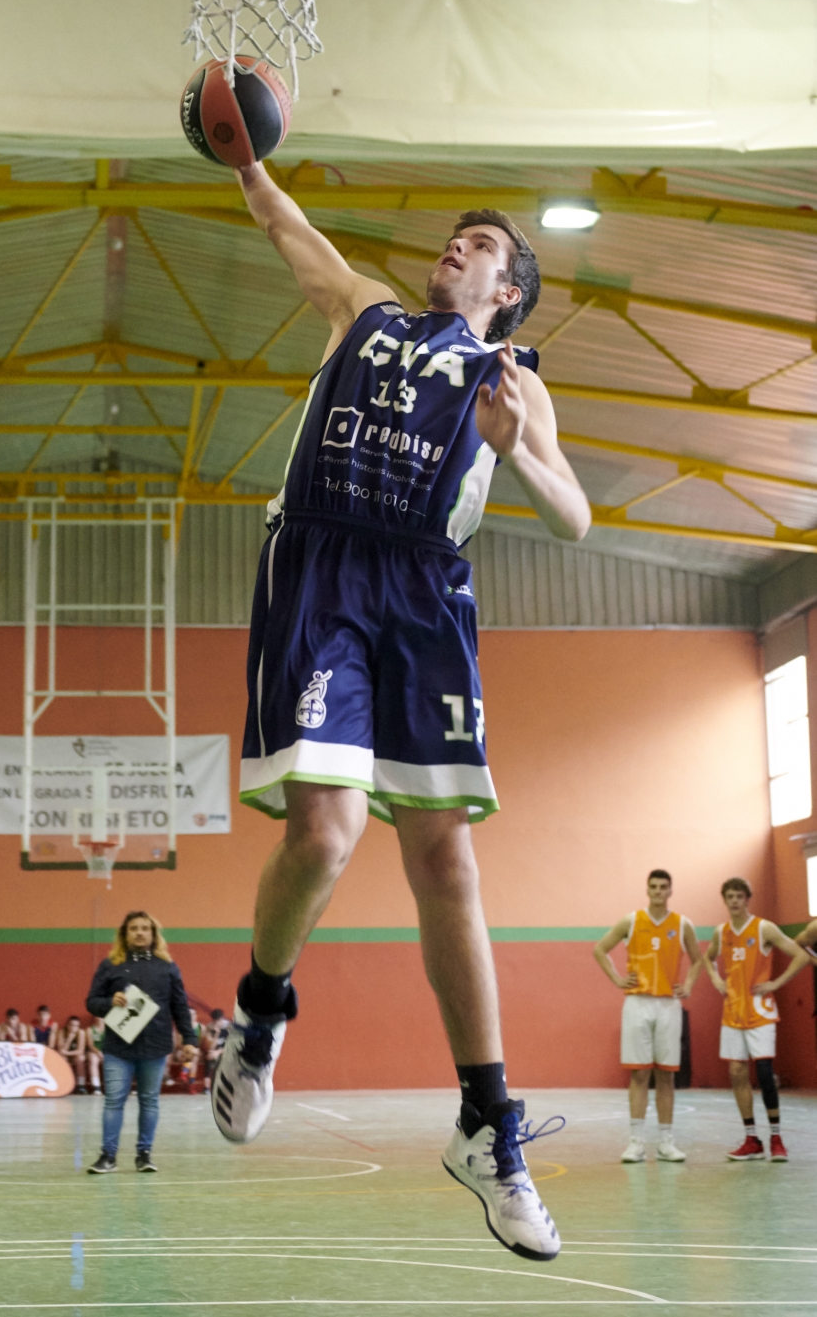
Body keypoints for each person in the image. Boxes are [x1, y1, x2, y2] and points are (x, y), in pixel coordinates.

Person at [211, 170, 591, 1263]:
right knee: (323, 833)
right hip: (324, 569)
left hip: (427, 594)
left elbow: (572, 516)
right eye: (453, 236)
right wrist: (248, 159)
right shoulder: (365, 309)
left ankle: (485, 1122)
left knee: (446, 860)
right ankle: (261, 1012)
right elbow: (285, 226)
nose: (454, 246)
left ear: (508, 290)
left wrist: (516, 447)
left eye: (479, 244)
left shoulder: (513, 380)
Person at [701, 877, 814, 1161]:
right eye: (730, 896)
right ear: (724, 900)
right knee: (737, 1073)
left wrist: (776, 983)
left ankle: (776, 1137)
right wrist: (715, 979)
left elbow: (800, 956)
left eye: (739, 896)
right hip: (733, 1011)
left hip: (760, 1010)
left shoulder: (764, 928)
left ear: (747, 899)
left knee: (764, 1073)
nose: (734, 901)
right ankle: (751, 1139)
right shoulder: (721, 932)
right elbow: (707, 958)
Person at [593, 869, 701, 1163]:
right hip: (637, 1003)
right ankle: (636, 1143)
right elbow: (600, 950)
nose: (658, 891)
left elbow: (697, 959)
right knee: (639, 1073)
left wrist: (688, 985)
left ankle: (666, 1142)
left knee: (666, 1074)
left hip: (668, 1004)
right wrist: (617, 979)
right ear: (647, 889)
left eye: (663, 887)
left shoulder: (682, 924)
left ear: (670, 891)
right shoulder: (631, 921)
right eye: (653, 886)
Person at [85, 911, 198, 1174]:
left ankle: (144, 1155)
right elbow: (91, 1002)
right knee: (113, 1101)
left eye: (145, 928)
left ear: (153, 934)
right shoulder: (110, 965)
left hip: (155, 1046)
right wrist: (109, 1002)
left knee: (149, 1101)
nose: (139, 933)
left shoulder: (167, 967)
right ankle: (108, 1156)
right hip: (118, 1047)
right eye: (133, 928)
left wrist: (189, 1039)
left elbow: (180, 1006)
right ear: (125, 934)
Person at [56, 1014, 87, 1092]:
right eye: (72, 1025)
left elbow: (80, 1051)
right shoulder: (62, 1032)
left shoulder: (81, 1033)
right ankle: (64, 1084)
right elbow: (61, 1050)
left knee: (80, 1058)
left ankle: (81, 1085)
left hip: (75, 1055)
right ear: (67, 1025)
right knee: (62, 1059)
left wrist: (66, 1053)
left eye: (76, 1026)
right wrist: (69, 1038)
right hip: (66, 1056)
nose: (74, 1028)